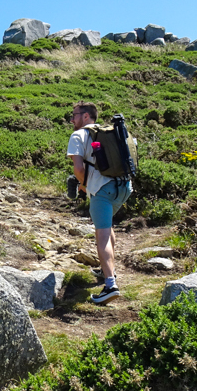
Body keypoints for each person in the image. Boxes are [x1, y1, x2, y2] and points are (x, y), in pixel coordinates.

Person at [66, 102, 132, 303]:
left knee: (101, 236)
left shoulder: (78, 136)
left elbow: (78, 168)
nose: (72, 119)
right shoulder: (109, 133)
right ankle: (107, 270)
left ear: (86, 116)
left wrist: (84, 186)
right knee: (107, 226)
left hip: (102, 191)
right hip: (124, 188)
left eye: (75, 115)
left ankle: (110, 285)